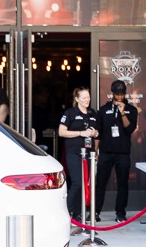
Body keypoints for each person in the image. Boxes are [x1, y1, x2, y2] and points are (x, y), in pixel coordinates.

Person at [96, 80, 139, 223]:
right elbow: (98, 132)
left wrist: (122, 113)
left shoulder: (131, 110)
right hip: (106, 152)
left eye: (122, 94)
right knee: (101, 182)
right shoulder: (103, 110)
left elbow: (130, 129)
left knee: (122, 183)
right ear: (112, 93)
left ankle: (120, 213)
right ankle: (96, 211)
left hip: (123, 152)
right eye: (117, 94)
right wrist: (95, 152)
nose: (120, 97)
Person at [58, 86, 99, 231]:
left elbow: (98, 132)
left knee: (86, 184)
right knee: (77, 182)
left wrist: (94, 133)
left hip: (89, 153)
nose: (87, 100)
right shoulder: (70, 113)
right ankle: (67, 213)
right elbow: (62, 132)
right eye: (83, 97)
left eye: (88, 97)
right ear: (77, 99)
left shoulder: (93, 113)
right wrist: (81, 133)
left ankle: (79, 215)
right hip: (74, 152)